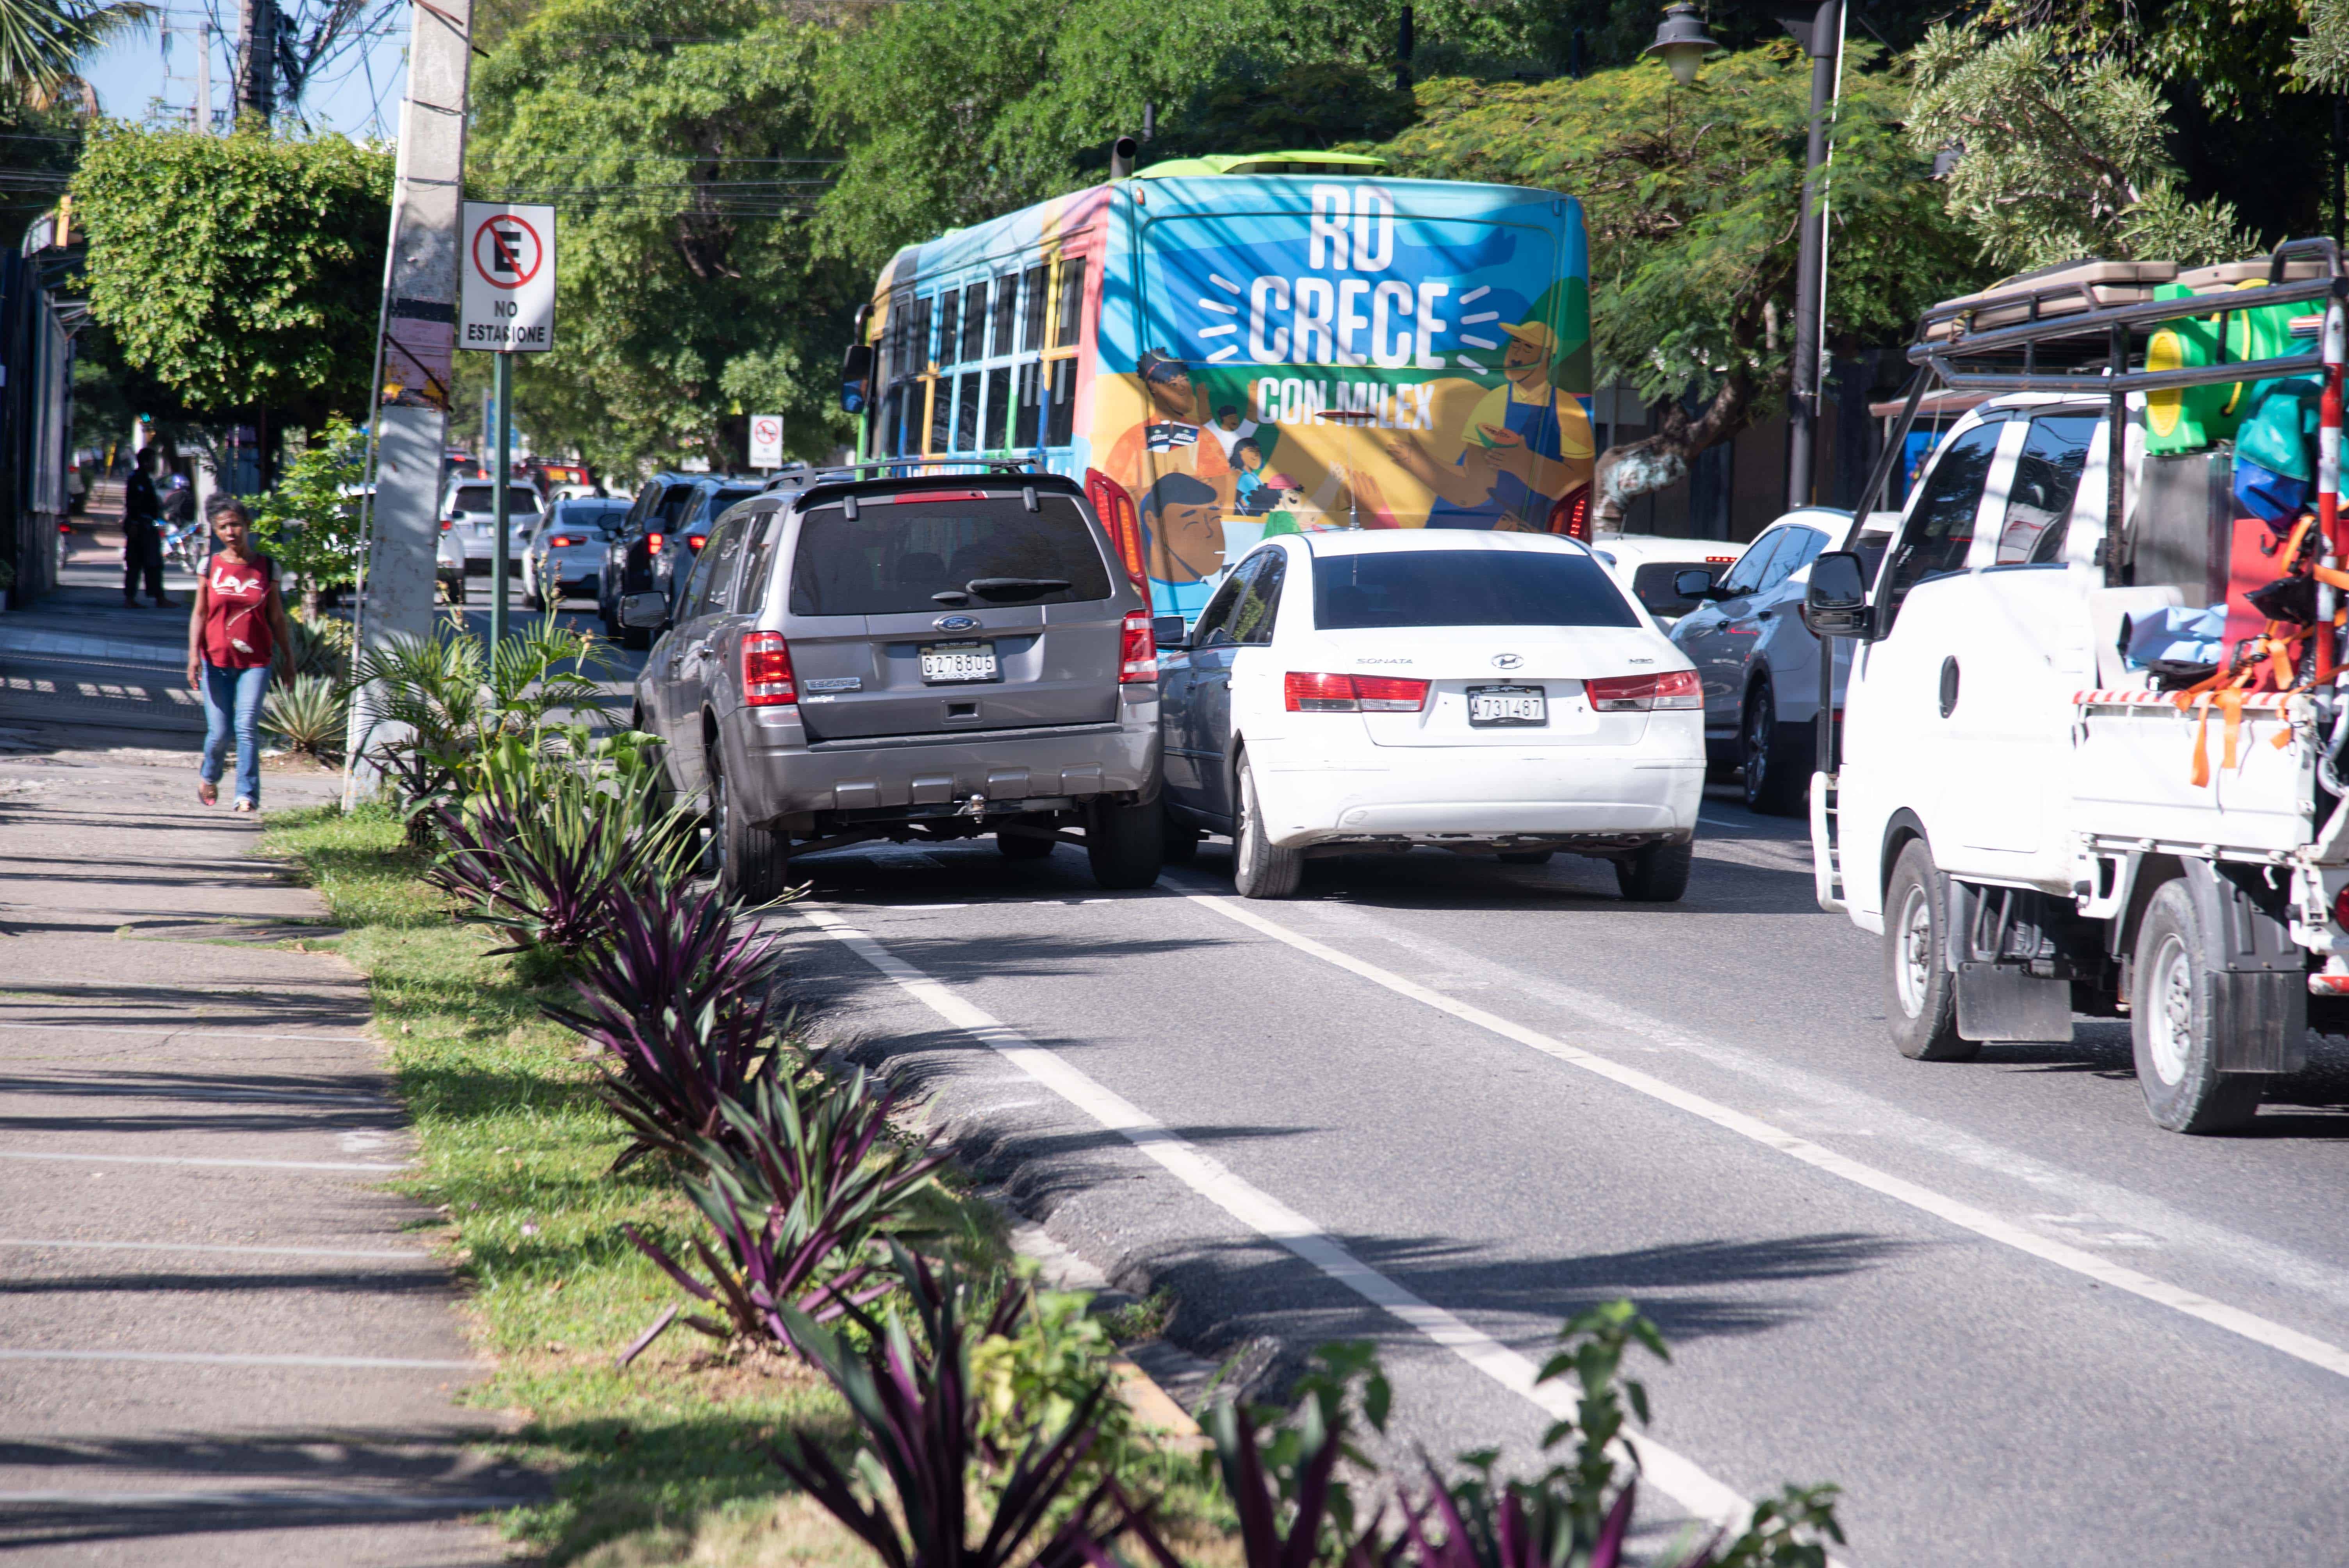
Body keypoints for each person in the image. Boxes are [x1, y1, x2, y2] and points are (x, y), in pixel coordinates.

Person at [185, 496, 294, 814]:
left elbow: (277, 618)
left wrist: (289, 658)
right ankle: (210, 774)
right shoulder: (210, 566)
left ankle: (246, 794)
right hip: (215, 660)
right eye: (223, 527)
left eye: (235, 524)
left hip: (256, 662)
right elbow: (200, 613)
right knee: (219, 733)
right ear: (216, 532)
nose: (231, 532)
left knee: (246, 727)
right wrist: (193, 656)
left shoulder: (267, 567)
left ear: (247, 526)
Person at [122, 453, 168, 607]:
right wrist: (134, 523)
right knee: (136, 563)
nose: (155, 464)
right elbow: (133, 503)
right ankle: (131, 598)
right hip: (139, 526)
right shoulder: (136, 479)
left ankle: (159, 597)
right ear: (146, 462)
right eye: (153, 461)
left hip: (147, 525)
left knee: (153, 563)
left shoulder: (147, 479)